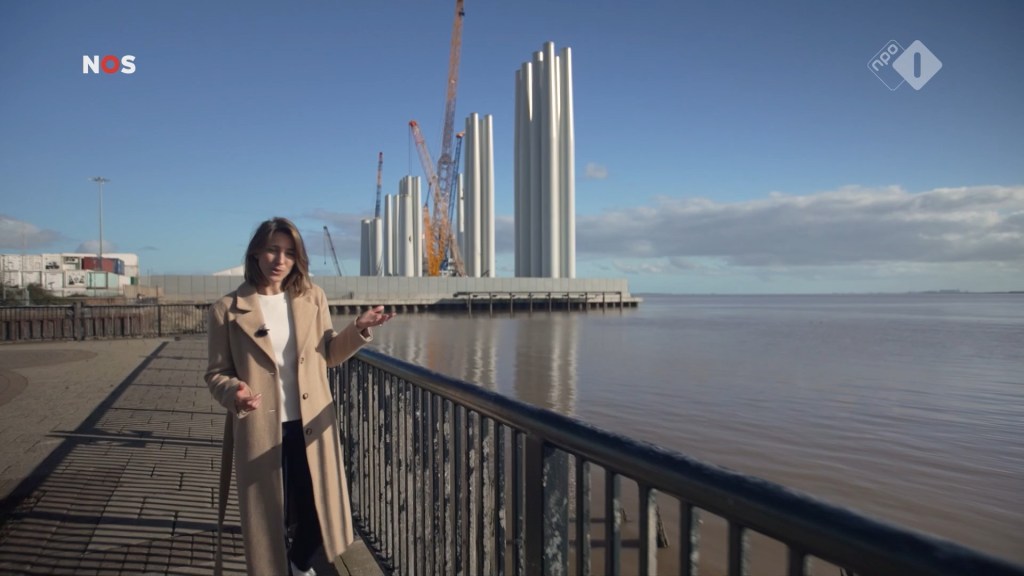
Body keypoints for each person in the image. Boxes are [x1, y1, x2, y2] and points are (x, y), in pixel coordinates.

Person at [205, 217, 394, 576]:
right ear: (256, 252)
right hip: (261, 428)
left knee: (321, 512)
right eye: (273, 250)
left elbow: (330, 353)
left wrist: (358, 328)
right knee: (269, 518)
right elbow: (216, 373)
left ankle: (298, 564)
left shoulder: (312, 297)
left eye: (290, 253)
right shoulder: (226, 309)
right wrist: (234, 392)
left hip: (311, 425)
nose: (281, 260)